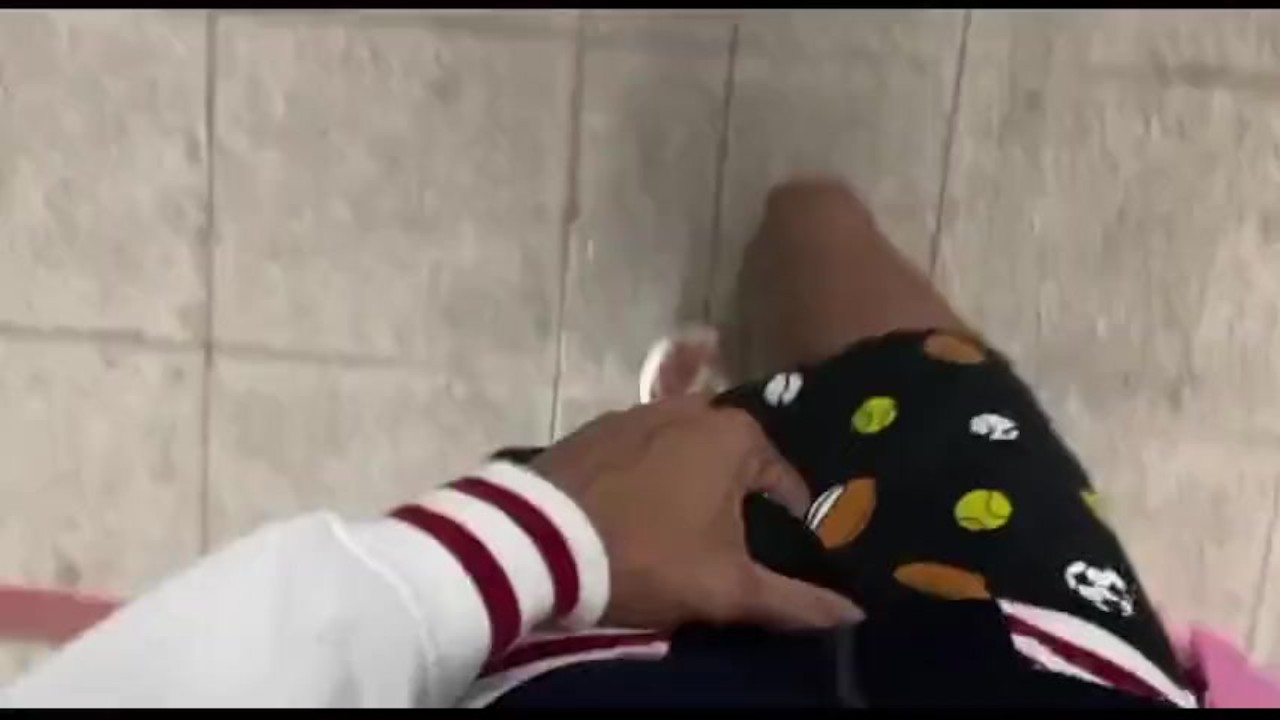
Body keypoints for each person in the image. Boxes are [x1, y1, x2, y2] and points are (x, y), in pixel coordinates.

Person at [1, 179, 1269, 708]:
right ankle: (727, 392)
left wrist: (539, 537)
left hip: (593, 648)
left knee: (811, 258)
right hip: (1006, 654)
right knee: (819, 246)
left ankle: (722, 399)